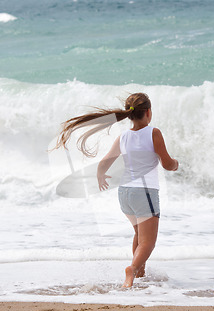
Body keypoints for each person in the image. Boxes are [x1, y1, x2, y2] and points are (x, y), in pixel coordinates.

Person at [56, 93, 178, 288]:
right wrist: (176, 165)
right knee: (148, 242)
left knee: (139, 235)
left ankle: (139, 273)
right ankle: (133, 269)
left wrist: (100, 175)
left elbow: (105, 161)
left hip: (125, 194)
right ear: (148, 112)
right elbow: (167, 163)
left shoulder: (123, 136)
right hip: (144, 192)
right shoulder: (153, 133)